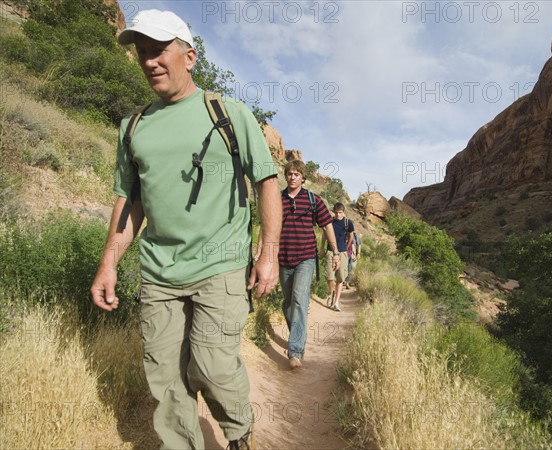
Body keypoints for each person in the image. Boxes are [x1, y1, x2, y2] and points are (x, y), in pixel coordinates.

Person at [90, 10, 281, 450]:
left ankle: (238, 434)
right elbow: (129, 202)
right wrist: (108, 264)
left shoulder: (228, 113)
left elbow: (266, 180)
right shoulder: (133, 127)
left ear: (189, 56)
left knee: (211, 365)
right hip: (159, 271)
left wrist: (267, 254)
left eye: (159, 50)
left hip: (222, 266)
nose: (149, 61)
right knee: (166, 377)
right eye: (142, 54)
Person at [277, 160, 339, 369]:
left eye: (296, 174)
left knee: (299, 300)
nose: (292, 177)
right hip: (283, 258)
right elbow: (270, 226)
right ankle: (298, 334)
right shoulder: (277, 200)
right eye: (289, 174)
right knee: (287, 302)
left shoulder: (314, 200)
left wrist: (336, 251)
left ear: (303, 177)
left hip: (305, 258)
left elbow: (327, 226)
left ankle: (295, 351)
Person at [322, 203, 354, 311]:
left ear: (343, 212)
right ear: (333, 212)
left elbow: (351, 236)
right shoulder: (330, 221)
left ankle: (336, 302)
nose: (338, 215)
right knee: (329, 276)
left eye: (340, 213)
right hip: (330, 251)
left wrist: (346, 247)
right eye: (336, 212)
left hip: (342, 252)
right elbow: (325, 234)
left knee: (340, 278)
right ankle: (332, 293)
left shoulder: (348, 223)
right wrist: (322, 247)